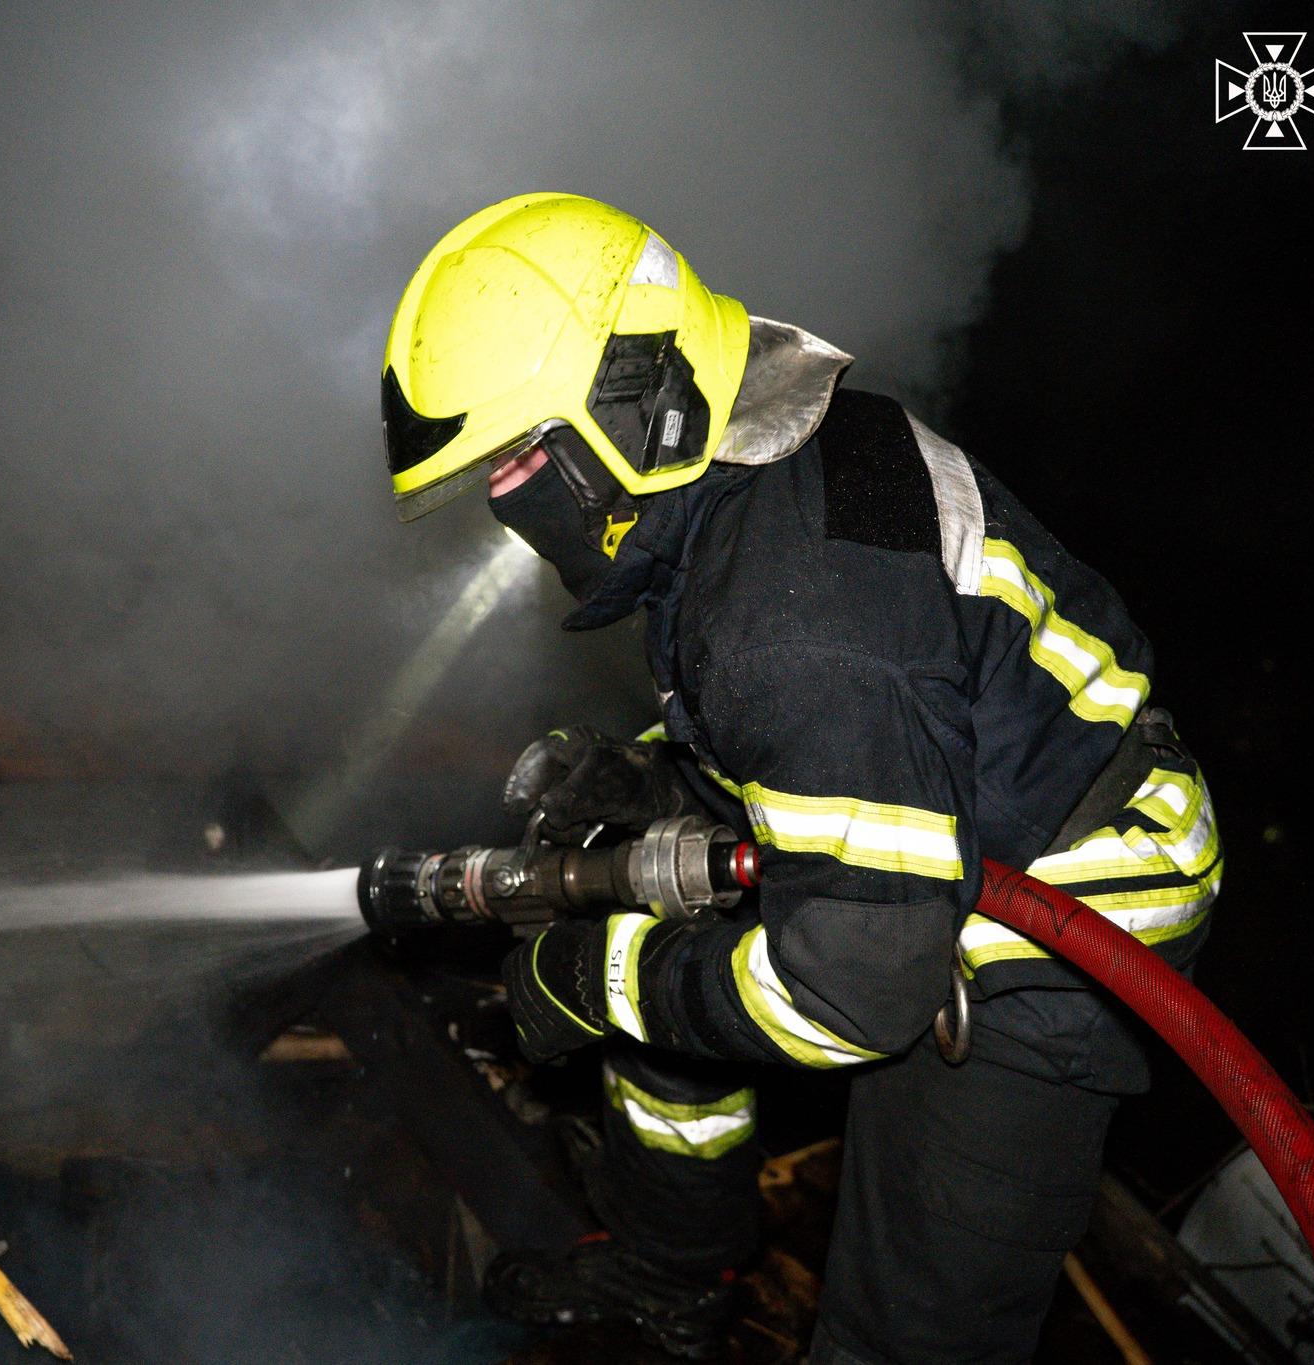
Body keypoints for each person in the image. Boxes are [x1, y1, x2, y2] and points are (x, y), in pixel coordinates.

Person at [379, 193, 1220, 1364]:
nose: (504, 495)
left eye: (519, 456)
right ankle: (676, 1262)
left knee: (907, 1327)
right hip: (929, 805)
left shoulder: (794, 623)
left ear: (630, 403)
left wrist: (597, 980)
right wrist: (653, 782)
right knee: (637, 911)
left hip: (1058, 912)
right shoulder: (747, 473)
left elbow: (853, 992)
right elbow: (839, 728)